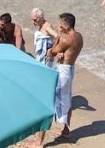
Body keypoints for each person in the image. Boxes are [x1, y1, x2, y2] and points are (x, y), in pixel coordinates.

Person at [38, 13, 83, 146]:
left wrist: (57, 36)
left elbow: (51, 52)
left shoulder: (65, 39)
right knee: (67, 99)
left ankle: (40, 141)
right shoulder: (79, 36)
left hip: (63, 71)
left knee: (50, 100)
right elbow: (68, 50)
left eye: (61, 24)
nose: (59, 26)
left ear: (66, 25)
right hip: (70, 68)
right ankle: (66, 131)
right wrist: (61, 52)